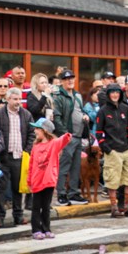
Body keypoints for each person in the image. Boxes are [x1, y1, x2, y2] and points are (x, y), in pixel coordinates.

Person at [0, 87, 34, 228]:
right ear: (7, 99)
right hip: (3, 156)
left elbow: (31, 134)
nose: (18, 102)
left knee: (18, 188)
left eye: (19, 99)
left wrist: (26, 150)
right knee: (1, 188)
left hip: (19, 156)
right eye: (15, 99)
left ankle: (18, 215)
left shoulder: (26, 115)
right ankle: (0, 216)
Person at [95, 84, 128, 217]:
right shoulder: (102, 111)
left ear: (120, 94)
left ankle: (127, 206)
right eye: (112, 92)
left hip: (126, 149)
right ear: (108, 94)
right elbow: (99, 133)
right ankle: (114, 208)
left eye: (117, 92)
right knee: (112, 180)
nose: (115, 95)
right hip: (112, 150)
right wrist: (107, 149)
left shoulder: (125, 109)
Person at [27, 118, 70, 240]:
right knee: (36, 206)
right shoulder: (35, 146)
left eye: (37, 128)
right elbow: (31, 164)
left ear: (44, 130)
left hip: (48, 181)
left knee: (46, 206)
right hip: (37, 180)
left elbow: (63, 140)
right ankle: (36, 229)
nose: (35, 130)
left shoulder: (54, 144)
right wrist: (29, 180)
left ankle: (46, 229)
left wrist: (67, 134)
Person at [52, 70, 88, 206]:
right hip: (68, 136)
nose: (70, 81)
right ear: (62, 81)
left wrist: (85, 116)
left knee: (76, 167)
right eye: (67, 79)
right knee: (64, 166)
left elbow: (81, 110)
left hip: (79, 136)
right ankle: (61, 193)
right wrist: (65, 134)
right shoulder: (58, 95)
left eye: (72, 78)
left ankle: (73, 193)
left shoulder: (77, 95)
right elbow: (57, 117)